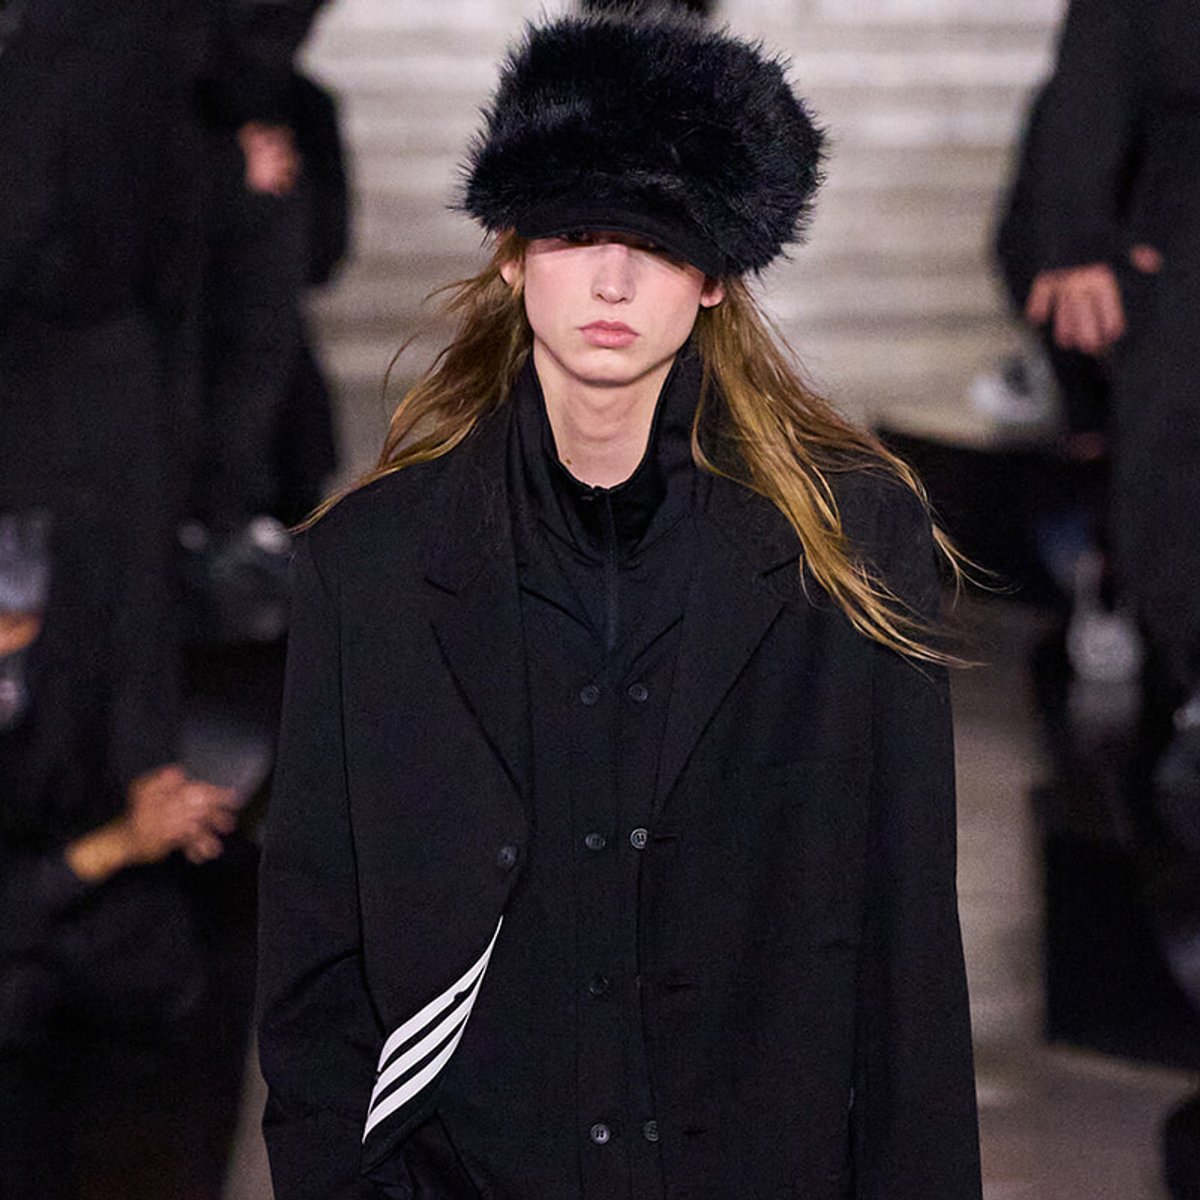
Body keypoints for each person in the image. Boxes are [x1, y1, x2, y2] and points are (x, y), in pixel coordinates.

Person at [257, 11, 982, 1200]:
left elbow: (907, 957)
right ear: (510, 256)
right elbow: (314, 962)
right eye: (576, 233)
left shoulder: (847, 545)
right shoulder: (372, 568)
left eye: (654, 240)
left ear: (711, 275)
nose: (609, 279)